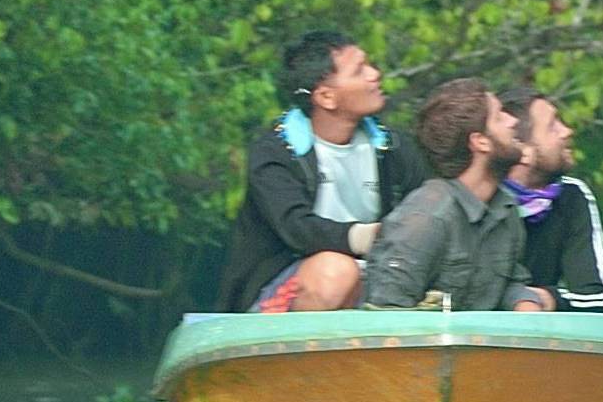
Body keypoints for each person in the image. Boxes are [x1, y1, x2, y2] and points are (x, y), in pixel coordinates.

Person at [213, 28, 416, 315]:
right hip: (289, 284)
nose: (374, 74)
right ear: (326, 97)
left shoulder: (391, 146)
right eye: (359, 71)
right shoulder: (275, 151)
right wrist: (367, 236)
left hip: (373, 277)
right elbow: (298, 229)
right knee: (337, 272)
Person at [357, 80, 547, 314]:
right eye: (499, 117)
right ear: (480, 142)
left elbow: (507, 284)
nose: (514, 121)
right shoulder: (425, 218)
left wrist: (524, 302)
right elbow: (387, 314)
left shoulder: (505, 208)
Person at [508, 91, 603, 312]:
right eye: (552, 126)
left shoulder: (571, 195)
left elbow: (597, 297)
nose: (567, 131)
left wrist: (547, 299)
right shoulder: (480, 197)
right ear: (522, 151)